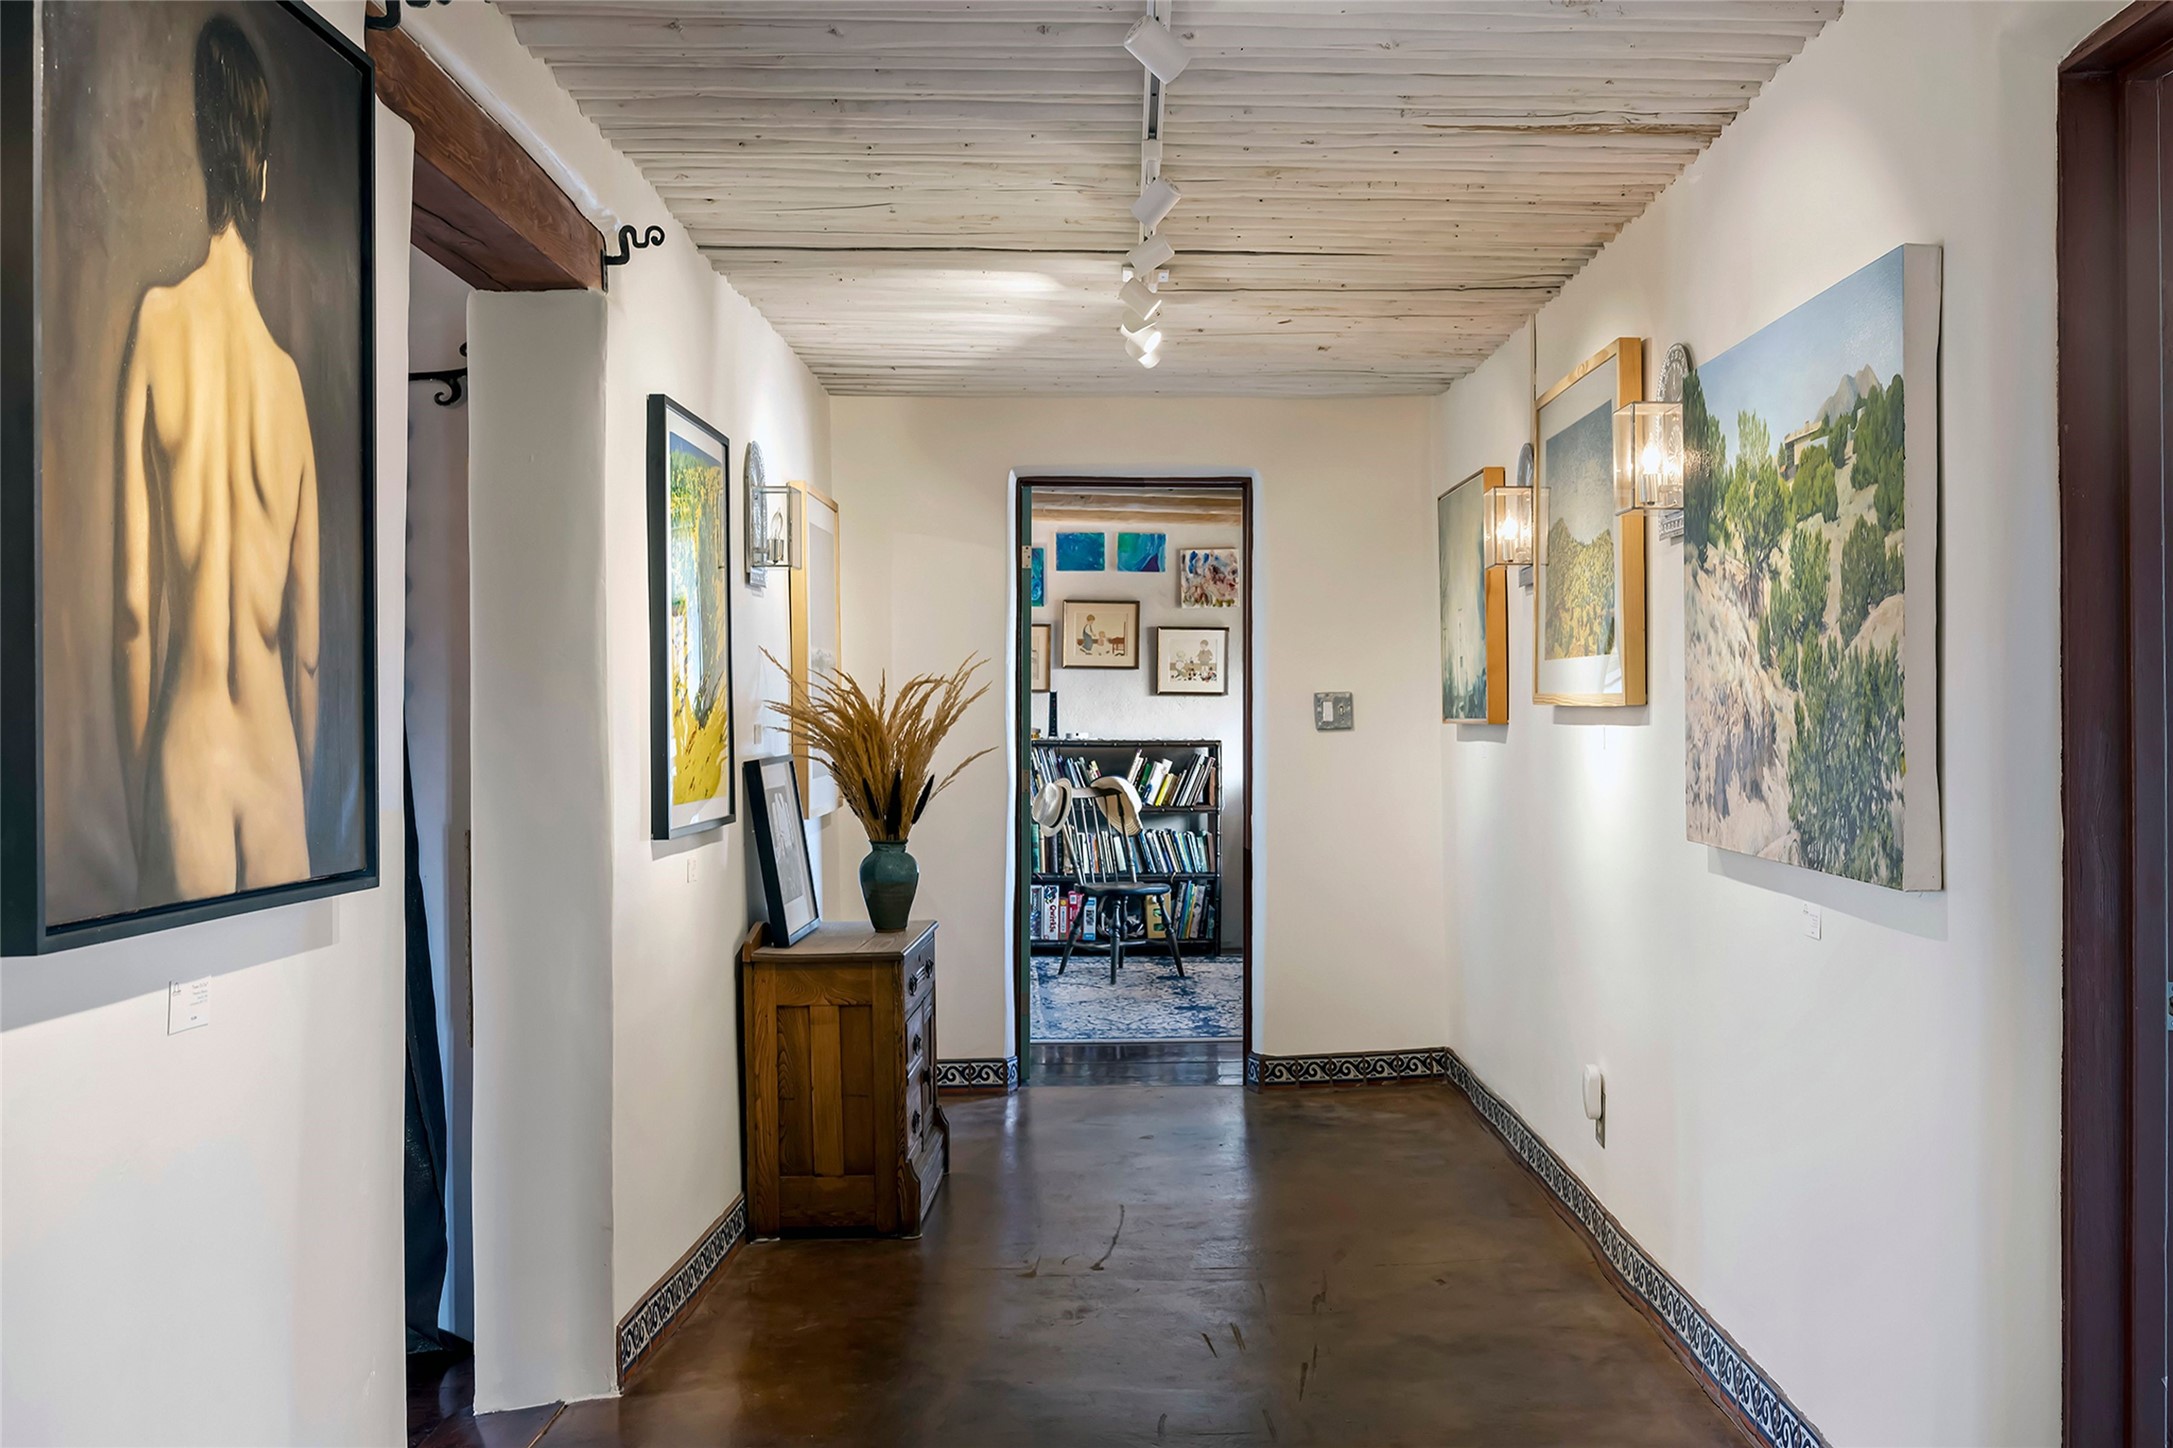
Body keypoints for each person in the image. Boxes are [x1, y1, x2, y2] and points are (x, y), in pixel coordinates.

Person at [116, 15, 319, 906]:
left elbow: (134, 609)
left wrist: (143, 807)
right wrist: (301, 791)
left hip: (188, 757)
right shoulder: (289, 387)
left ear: (204, 152)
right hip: (276, 770)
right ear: (263, 171)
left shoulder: (158, 325)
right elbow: (306, 652)